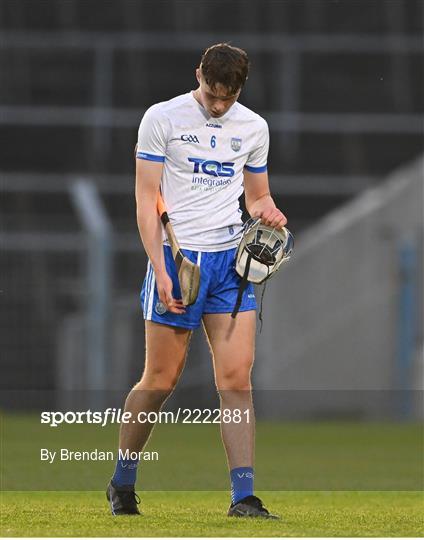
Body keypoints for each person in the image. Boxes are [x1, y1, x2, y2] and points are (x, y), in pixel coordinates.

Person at [107, 43, 287, 519]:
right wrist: (160, 269)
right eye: (211, 93)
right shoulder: (162, 119)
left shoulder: (253, 127)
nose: (218, 105)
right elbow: (147, 200)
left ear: (240, 90)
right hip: (178, 258)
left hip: (230, 263)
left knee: (235, 379)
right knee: (161, 380)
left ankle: (243, 497)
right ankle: (122, 480)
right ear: (198, 77)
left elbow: (257, 194)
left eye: (228, 97)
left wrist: (266, 211)